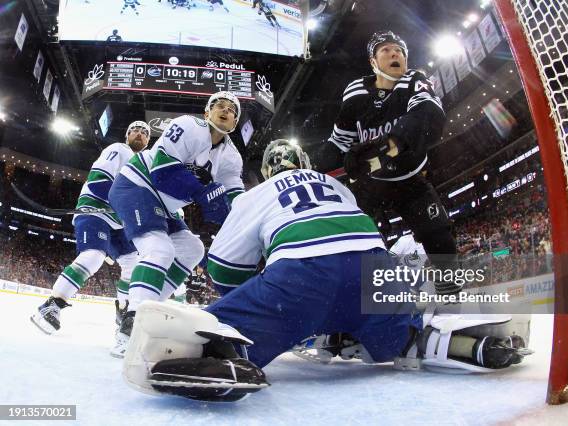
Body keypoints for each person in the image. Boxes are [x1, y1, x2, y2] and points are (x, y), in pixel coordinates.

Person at [121, 140, 531, 402]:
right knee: (398, 340)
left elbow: (224, 268)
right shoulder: (337, 186)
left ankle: (225, 356)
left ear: (266, 171)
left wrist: (262, 297)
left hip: (302, 280)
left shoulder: (256, 194)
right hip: (374, 272)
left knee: (216, 330)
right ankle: (459, 343)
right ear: (306, 163)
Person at [108, 91, 244, 357]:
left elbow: (236, 198)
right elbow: (161, 172)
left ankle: (149, 310)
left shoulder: (231, 157)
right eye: (219, 106)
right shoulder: (188, 125)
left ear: (235, 123)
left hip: (167, 206)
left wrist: (243, 219)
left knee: (193, 249)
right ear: (207, 112)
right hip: (138, 185)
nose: (225, 111)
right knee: (160, 249)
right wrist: (202, 192)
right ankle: (131, 323)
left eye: (232, 109)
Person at [327, 30, 460, 296]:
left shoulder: (415, 81)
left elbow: (429, 115)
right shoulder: (355, 92)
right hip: (370, 185)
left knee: (439, 235)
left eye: (399, 50)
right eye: (386, 50)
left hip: (410, 180)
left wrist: (388, 146)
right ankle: (354, 303)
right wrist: (311, 170)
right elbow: (338, 142)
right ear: (373, 62)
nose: (394, 54)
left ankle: (449, 292)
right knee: (354, 242)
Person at [31, 121, 151, 335]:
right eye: (135, 130)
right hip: (96, 210)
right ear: (127, 135)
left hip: (118, 220)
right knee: (94, 256)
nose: (140, 134)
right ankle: (51, 305)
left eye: (145, 133)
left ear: (148, 140)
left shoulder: (144, 164)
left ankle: (123, 312)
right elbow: (98, 181)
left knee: (133, 263)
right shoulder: (118, 149)